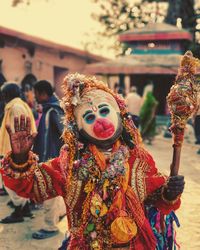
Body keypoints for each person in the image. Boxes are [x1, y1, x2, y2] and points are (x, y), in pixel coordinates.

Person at [1, 73, 184, 249]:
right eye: (89, 117)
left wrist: (169, 192)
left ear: (120, 114)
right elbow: (31, 186)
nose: (100, 120)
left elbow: (156, 199)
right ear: (79, 129)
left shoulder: (139, 159)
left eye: (104, 111)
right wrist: (20, 158)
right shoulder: (69, 164)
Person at [32, 80, 66, 239]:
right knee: (53, 192)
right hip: (52, 159)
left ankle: (49, 226)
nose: (35, 96)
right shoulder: (50, 109)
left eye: (36, 93)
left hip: (51, 159)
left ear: (43, 94)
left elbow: (65, 134)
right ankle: (58, 214)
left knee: (49, 194)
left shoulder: (53, 111)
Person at [0, 82, 37, 223]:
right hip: (15, 151)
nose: (2, 96)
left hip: (14, 151)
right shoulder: (18, 105)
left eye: (3, 93)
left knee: (11, 182)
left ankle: (18, 211)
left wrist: (15, 154)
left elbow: (18, 132)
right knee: (19, 180)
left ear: (8, 94)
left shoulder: (15, 107)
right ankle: (25, 209)